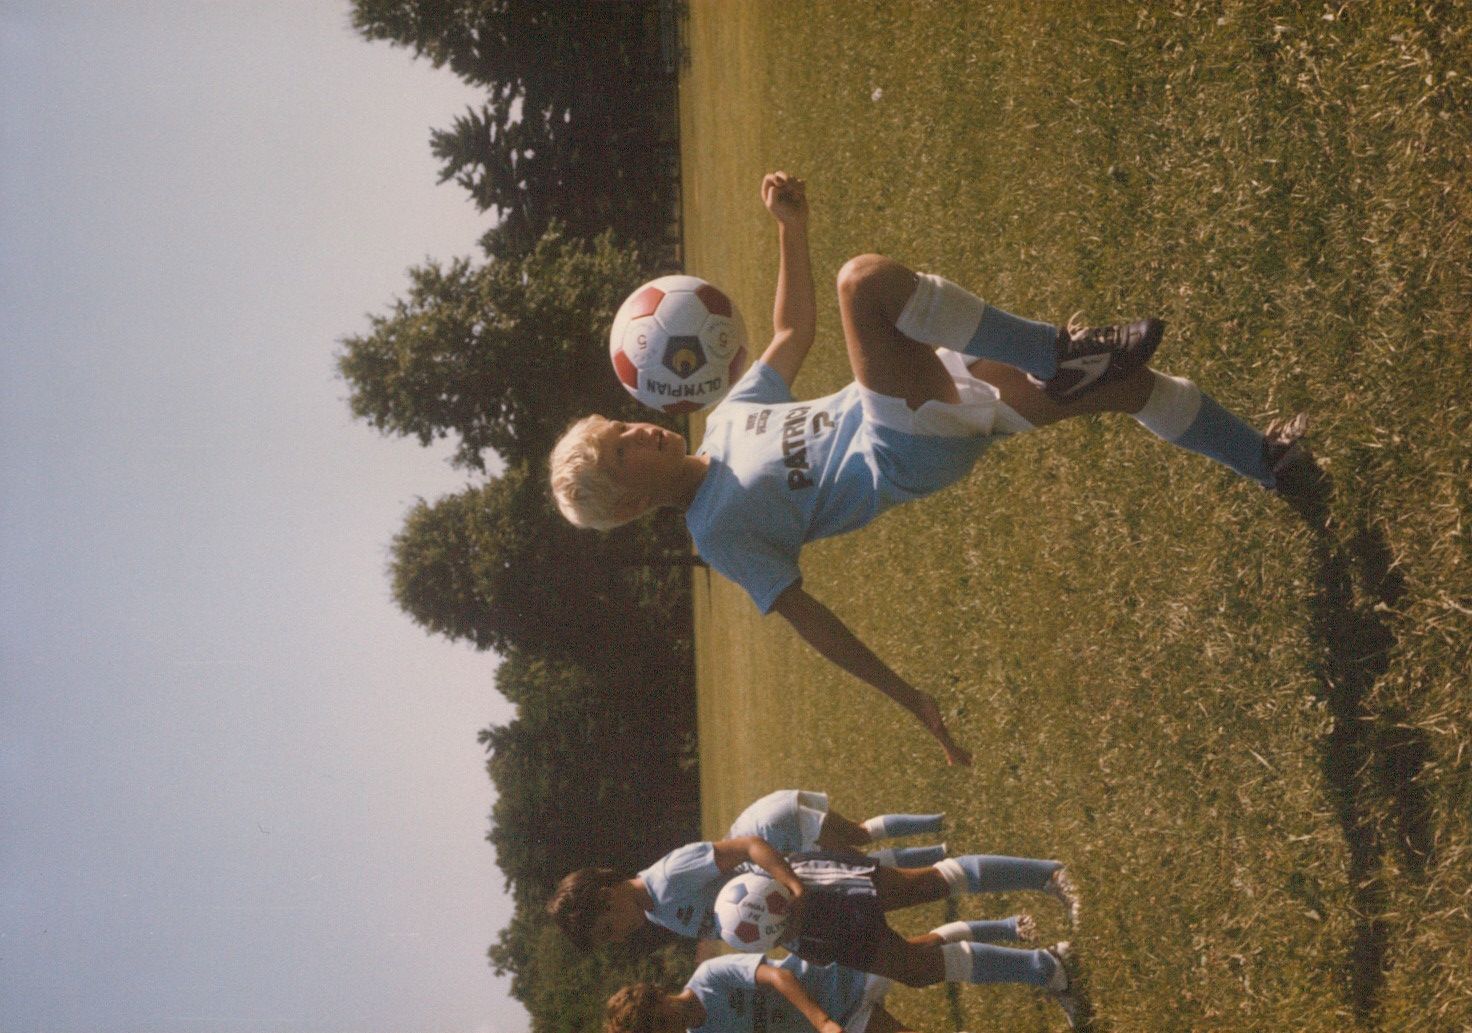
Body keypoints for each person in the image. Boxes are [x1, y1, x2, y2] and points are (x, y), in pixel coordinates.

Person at [550, 171, 1309, 765]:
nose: (637, 431)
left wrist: (790, 228)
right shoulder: (718, 533)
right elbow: (813, 622)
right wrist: (907, 696)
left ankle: (1267, 461)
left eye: (621, 425)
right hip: (903, 453)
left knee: (1128, 387)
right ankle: (1058, 354)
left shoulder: (726, 417)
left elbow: (791, 330)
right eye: (623, 451)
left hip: (920, 398)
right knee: (864, 284)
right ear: (630, 505)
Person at [546, 835, 1080, 976]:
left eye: (605, 928)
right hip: (807, 930)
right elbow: (733, 924)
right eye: (606, 941)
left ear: (605, 894)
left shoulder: (668, 876)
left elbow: (749, 846)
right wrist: (782, 939)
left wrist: (792, 888)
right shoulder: (657, 913)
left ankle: (1048, 875)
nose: (616, 938)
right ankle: (1047, 969)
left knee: (923, 886)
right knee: (912, 969)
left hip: (813, 886)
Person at [605, 937, 1078, 1033]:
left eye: (657, 1025)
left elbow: (777, 975)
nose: (666, 1032)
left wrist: (821, 1021)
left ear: (657, 999)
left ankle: (1043, 963)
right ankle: (1040, 960)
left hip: (839, 968)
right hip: (844, 1022)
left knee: (929, 960)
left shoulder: (708, 979)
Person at [727, 788, 947, 868]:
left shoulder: (729, 877)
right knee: (859, 833)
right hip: (774, 807)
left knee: (864, 864)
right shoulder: (721, 848)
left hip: (774, 828)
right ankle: (938, 823)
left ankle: (941, 853)